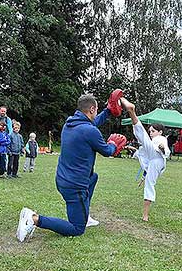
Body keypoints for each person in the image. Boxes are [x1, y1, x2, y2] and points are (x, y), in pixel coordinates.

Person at [16, 92, 126, 242]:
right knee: (77, 229)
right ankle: (33, 219)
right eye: (97, 110)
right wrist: (113, 144)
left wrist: (107, 111)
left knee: (93, 177)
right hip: (75, 186)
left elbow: (93, 123)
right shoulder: (90, 131)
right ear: (92, 109)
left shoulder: (70, 124)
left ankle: (84, 215)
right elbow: (107, 151)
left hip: (63, 179)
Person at [121, 98, 170, 222]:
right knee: (141, 137)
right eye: (150, 131)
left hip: (157, 157)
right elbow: (143, 156)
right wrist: (131, 148)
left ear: (160, 132)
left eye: (153, 131)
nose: (151, 133)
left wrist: (163, 148)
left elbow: (164, 149)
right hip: (154, 159)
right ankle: (131, 112)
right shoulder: (152, 142)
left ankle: (145, 216)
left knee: (141, 135)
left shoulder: (161, 139)